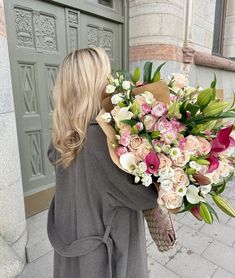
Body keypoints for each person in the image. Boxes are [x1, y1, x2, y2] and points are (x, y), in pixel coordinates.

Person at [47, 47, 158, 278]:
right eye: (106, 74)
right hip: (103, 256)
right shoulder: (104, 140)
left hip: (71, 240)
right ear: (96, 83)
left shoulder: (62, 133)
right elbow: (145, 198)